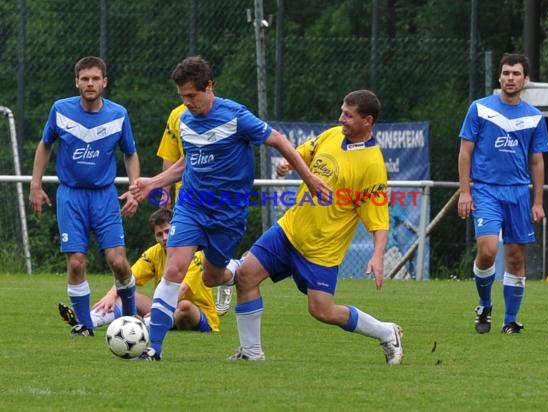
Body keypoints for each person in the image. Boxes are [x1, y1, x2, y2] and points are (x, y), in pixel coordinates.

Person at [130, 56, 330, 361]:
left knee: (212, 277)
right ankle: (154, 348)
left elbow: (279, 141)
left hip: (227, 213)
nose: (187, 103)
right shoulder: (184, 120)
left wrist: (308, 177)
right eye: (182, 97)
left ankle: (235, 269)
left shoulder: (235, 116)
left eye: (192, 96)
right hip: (192, 206)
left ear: (209, 87)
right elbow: (188, 162)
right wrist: (153, 182)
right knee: (174, 269)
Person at [229, 89, 404, 365]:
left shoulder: (372, 165)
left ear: (367, 121)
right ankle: (251, 353)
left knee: (321, 310)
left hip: (322, 250)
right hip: (289, 230)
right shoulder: (334, 135)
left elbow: (378, 217)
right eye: (342, 111)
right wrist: (290, 161)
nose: (341, 118)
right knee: (246, 275)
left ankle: (386, 332)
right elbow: (308, 151)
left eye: (348, 115)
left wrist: (378, 255)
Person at [29, 56, 140, 337]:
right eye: (85, 78)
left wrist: (135, 189)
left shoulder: (119, 114)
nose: (90, 83)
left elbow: (130, 152)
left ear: (105, 81)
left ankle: (130, 320)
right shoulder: (60, 110)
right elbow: (45, 145)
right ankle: (84, 325)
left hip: (104, 196)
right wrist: (35, 185)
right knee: (76, 262)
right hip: (71, 195)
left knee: (117, 261)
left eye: (95, 78)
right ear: (76, 81)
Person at [457, 53, 548, 334]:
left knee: (515, 258)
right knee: (487, 251)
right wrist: (465, 191)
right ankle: (484, 304)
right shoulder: (480, 108)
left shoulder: (535, 117)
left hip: (519, 193)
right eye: (506, 73)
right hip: (485, 189)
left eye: (516, 73)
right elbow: (465, 151)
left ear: (526, 79)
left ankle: (510, 320)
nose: (510, 77)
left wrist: (538, 201)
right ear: (499, 77)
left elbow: (537, 161)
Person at [58, 208, 222, 332]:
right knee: (127, 295)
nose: (164, 238)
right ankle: (89, 321)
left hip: (199, 316)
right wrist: (110, 295)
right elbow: (130, 277)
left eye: (167, 231)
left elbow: (182, 289)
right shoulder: (154, 252)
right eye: (159, 234)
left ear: (176, 229)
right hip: (165, 309)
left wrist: (159, 309)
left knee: (184, 305)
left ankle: (139, 326)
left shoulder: (194, 252)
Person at [156, 102, 233, 316]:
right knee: (179, 260)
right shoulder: (177, 115)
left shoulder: (225, 113)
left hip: (216, 199)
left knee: (209, 263)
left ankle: (226, 275)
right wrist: (164, 194)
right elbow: (171, 158)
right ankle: (170, 311)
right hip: (187, 201)